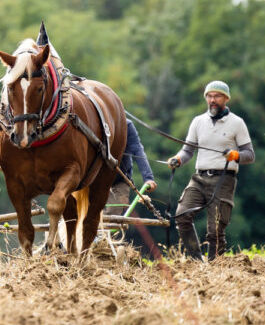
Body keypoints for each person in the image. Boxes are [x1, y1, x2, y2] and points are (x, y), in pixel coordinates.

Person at [166, 81, 254, 260]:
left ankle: (215, 267)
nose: (213, 100)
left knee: (215, 230)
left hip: (223, 179)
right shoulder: (198, 121)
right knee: (181, 216)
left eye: (217, 96)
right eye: (209, 96)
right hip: (199, 179)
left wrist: (235, 155)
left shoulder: (237, 123)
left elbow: (250, 154)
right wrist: (177, 159)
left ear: (226, 99)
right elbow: (187, 151)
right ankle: (197, 262)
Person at [109, 120, 157, 208]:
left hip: (120, 180)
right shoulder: (94, 121)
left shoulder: (126, 124)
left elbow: (137, 150)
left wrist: (148, 178)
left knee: (115, 210)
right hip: (94, 180)